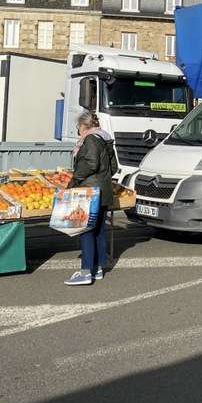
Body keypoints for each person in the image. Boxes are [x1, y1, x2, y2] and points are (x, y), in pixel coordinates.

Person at [63, 111, 118, 286]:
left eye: (78, 127)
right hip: (103, 190)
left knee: (86, 230)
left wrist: (75, 179)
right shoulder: (105, 138)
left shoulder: (91, 139)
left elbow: (91, 163)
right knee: (98, 230)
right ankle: (98, 268)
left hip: (89, 191)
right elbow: (114, 167)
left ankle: (86, 271)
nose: (77, 130)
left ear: (83, 126)